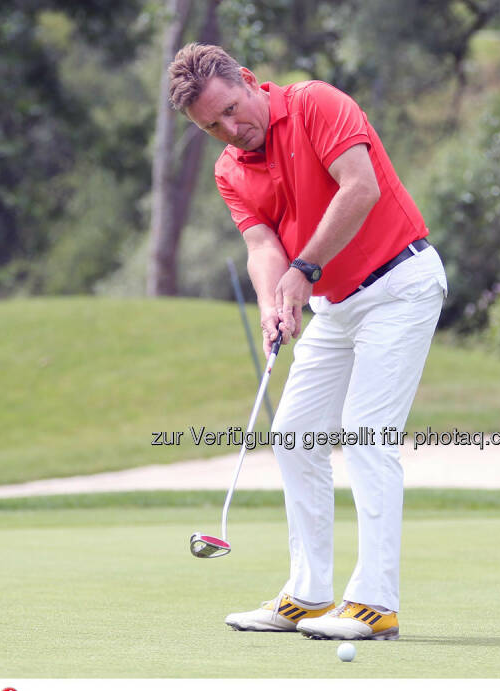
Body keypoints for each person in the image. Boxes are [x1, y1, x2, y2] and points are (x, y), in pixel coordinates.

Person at [168, 43, 447, 641]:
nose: (230, 129)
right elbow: (263, 248)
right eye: (210, 126)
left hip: (400, 284)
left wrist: (305, 271)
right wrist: (275, 303)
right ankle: (310, 595)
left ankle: (375, 603)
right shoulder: (229, 170)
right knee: (294, 436)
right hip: (336, 306)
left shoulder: (317, 102)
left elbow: (359, 188)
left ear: (247, 80)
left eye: (231, 110)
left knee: (367, 433)